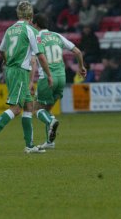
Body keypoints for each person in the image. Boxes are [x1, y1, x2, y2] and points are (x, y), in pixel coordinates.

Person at [0, 1, 53, 155]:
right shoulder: (31, 31)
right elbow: (40, 56)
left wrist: (7, 60)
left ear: (18, 14)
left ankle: (29, 145)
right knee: (16, 108)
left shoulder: (10, 30)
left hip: (12, 69)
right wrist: (49, 75)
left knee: (28, 106)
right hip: (19, 71)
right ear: (31, 15)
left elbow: (1, 50)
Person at [30, 13, 86, 149]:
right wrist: (81, 67)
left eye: (32, 23)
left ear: (36, 24)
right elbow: (78, 52)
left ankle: (51, 121)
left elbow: (33, 61)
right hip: (62, 78)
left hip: (47, 78)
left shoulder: (36, 38)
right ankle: (50, 142)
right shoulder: (57, 36)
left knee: (35, 109)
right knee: (47, 109)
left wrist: (31, 81)